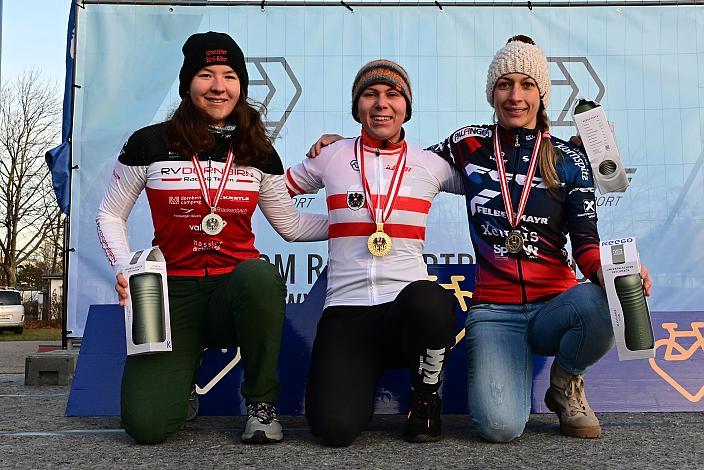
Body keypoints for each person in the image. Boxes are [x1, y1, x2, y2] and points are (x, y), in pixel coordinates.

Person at [307, 36, 652, 443]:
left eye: (526, 85)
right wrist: (348, 147)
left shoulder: (568, 159)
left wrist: (613, 275)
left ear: (542, 94)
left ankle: (565, 384)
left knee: (602, 297)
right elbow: (400, 165)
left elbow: (586, 242)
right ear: (492, 93)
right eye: (505, 84)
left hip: (555, 304)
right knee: (500, 428)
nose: (515, 96)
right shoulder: (467, 144)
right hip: (495, 310)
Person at [96, 31, 328, 445]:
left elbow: (290, 226)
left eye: (229, 75)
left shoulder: (258, 150)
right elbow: (110, 214)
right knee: (145, 428)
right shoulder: (149, 142)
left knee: (258, 276)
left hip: (233, 291)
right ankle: (180, 379)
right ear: (188, 84)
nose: (219, 86)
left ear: (241, 85)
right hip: (168, 294)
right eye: (206, 74)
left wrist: (352, 223)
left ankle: (260, 405)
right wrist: (124, 267)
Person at [285, 60, 464, 446]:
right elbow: (277, 194)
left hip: (405, 313)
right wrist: (337, 224)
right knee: (333, 431)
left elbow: (493, 184)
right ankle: (357, 388)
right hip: (347, 314)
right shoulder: (330, 155)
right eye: (371, 94)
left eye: (392, 94)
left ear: (406, 107)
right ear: (357, 107)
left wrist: (570, 152)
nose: (382, 103)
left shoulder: (429, 164)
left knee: (430, 299)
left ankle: (425, 396)